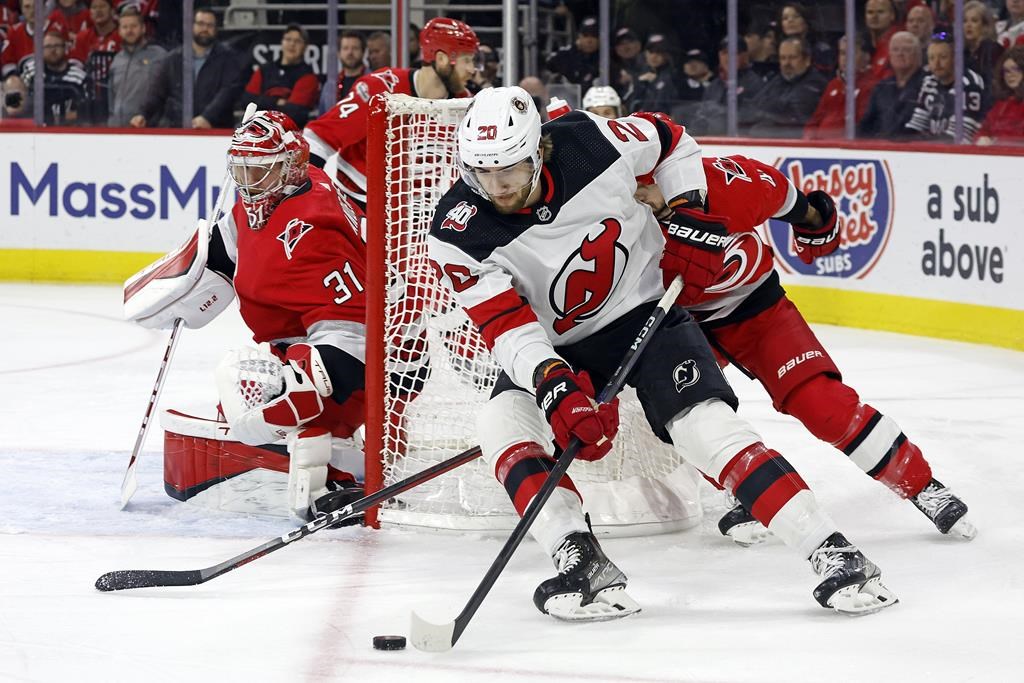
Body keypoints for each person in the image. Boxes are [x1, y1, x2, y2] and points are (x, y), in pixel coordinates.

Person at [427, 86, 898, 620]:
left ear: (538, 150)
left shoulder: (593, 142)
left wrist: (687, 208)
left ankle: (833, 551)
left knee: (704, 426)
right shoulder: (455, 230)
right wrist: (552, 381)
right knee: (501, 424)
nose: (497, 186)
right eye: (481, 172)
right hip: (556, 344)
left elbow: (672, 141)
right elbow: (505, 324)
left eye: (509, 168)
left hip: (644, 313)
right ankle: (579, 559)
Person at [631, 158, 976, 546]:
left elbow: (799, 206)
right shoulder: (605, 213)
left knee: (823, 405)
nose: (636, 192)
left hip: (756, 310)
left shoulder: (729, 182)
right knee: (690, 419)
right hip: (677, 326)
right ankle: (746, 493)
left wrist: (815, 220)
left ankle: (921, 484)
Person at [123, 111, 369, 522]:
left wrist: (295, 389)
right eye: (242, 170)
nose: (248, 183)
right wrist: (185, 284)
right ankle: (317, 446)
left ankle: (335, 464)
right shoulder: (275, 197)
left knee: (249, 382)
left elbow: (354, 338)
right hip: (307, 342)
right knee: (245, 397)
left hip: (370, 361)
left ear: (291, 166)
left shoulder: (314, 226)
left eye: (260, 171)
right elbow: (231, 246)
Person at [303, 17, 479, 208]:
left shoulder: (463, 103)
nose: (473, 69)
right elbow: (317, 139)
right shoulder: (381, 87)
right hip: (357, 201)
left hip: (414, 214)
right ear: (442, 59)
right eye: (467, 60)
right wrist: (307, 198)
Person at [130, 7, 248, 129]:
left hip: (215, 130)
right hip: (178, 129)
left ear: (216, 29)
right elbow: (156, 93)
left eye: (210, 25)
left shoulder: (228, 59)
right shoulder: (173, 59)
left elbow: (228, 92)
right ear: (191, 26)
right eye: (201, 24)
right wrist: (143, 114)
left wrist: (207, 117)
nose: (205, 29)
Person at [905, 33, 989, 141]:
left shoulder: (970, 84)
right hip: (935, 148)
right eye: (931, 58)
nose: (937, 63)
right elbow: (916, 125)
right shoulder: (929, 82)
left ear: (956, 58)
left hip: (962, 153)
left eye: (943, 57)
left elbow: (961, 136)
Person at [744, 35, 828, 137]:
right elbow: (755, 107)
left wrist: (769, 112)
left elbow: (794, 117)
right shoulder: (779, 79)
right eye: (783, 58)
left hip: (796, 143)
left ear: (807, 60)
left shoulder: (815, 83)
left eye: (792, 57)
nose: (786, 63)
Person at [240, 24, 320, 127]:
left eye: (297, 41)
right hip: (257, 128)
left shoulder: (308, 77)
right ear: (282, 42)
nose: (292, 44)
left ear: (305, 47)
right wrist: (276, 102)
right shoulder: (264, 70)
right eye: (288, 39)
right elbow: (247, 101)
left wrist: (262, 103)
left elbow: (293, 113)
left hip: (289, 133)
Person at [803, 34, 878, 140]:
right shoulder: (833, 84)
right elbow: (815, 120)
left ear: (866, 56)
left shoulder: (872, 86)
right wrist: (808, 138)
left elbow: (862, 127)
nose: (845, 58)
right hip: (820, 147)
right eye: (842, 53)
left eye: (851, 53)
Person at [688, 37, 766, 136]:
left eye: (733, 53)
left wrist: (722, 113)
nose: (728, 57)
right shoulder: (713, 86)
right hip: (712, 141)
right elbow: (700, 117)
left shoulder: (755, 84)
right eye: (724, 53)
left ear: (745, 56)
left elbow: (754, 117)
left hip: (741, 141)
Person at [859, 31, 926, 139]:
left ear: (918, 55)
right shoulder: (882, 87)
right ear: (889, 55)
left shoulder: (928, 85)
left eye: (906, 50)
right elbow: (866, 123)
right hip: (881, 147)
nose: (900, 53)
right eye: (895, 49)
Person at [107, 5, 165, 126]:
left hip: (148, 129)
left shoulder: (159, 55)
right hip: (117, 129)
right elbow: (111, 96)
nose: (129, 31)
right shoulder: (117, 60)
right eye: (125, 27)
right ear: (119, 31)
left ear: (143, 28)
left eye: (133, 26)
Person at [977, 45, 1024, 144]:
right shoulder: (1001, 105)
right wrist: (983, 138)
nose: (1010, 74)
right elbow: (984, 131)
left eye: (1016, 69)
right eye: (1006, 71)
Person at [544, 15, 600, 91]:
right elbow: (547, 65)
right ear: (579, 36)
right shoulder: (567, 53)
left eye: (594, 36)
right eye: (586, 35)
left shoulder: (606, 57)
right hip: (568, 98)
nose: (589, 40)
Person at [318, 30, 367, 115]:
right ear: (338, 53)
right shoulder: (330, 86)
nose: (350, 52)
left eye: (355, 48)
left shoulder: (373, 82)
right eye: (345, 48)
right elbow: (321, 119)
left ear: (363, 52)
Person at [779, 2, 835, 73]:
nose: (790, 20)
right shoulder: (778, 50)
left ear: (806, 22)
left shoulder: (821, 50)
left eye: (796, 16)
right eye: (785, 18)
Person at [631, 33, 677, 115]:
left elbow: (664, 107)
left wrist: (654, 83)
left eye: (659, 52)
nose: (654, 56)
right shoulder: (639, 76)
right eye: (651, 51)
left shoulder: (674, 77)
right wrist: (640, 84)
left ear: (666, 54)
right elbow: (631, 105)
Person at [963, 1, 1005, 87]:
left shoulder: (993, 50)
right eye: (965, 21)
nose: (968, 25)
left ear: (985, 25)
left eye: (974, 21)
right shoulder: (962, 51)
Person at [866, 0, 901, 80]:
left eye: (880, 12)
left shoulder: (898, 43)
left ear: (892, 15)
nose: (874, 17)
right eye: (870, 12)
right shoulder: (862, 44)